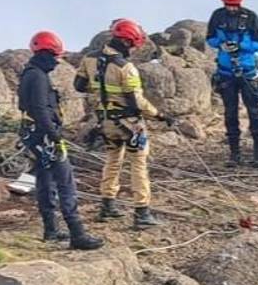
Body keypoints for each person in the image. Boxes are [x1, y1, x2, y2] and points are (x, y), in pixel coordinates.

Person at [75, 19, 168, 228]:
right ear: (127, 42)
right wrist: (160, 116)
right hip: (130, 123)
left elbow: (79, 85)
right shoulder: (126, 68)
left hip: (105, 121)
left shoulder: (89, 59)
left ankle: (107, 205)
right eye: (134, 45)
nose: (134, 49)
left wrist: (102, 92)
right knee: (138, 163)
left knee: (112, 160)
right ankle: (142, 212)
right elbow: (137, 102)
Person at [18, 31, 104, 249]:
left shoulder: (31, 73)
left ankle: (51, 229)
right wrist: (55, 136)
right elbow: (39, 108)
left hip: (35, 134)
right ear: (46, 54)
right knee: (65, 182)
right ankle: (77, 233)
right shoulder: (37, 76)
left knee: (45, 181)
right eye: (55, 56)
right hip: (44, 135)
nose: (58, 61)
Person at [205, 0, 258, 168]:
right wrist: (221, 44)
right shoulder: (217, 16)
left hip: (247, 72)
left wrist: (241, 46)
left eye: (234, 5)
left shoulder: (250, 18)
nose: (231, 9)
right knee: (230, 113)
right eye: (228, 5)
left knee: (254, 112)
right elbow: (210, 38)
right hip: (226, 72)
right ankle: (234, 153)